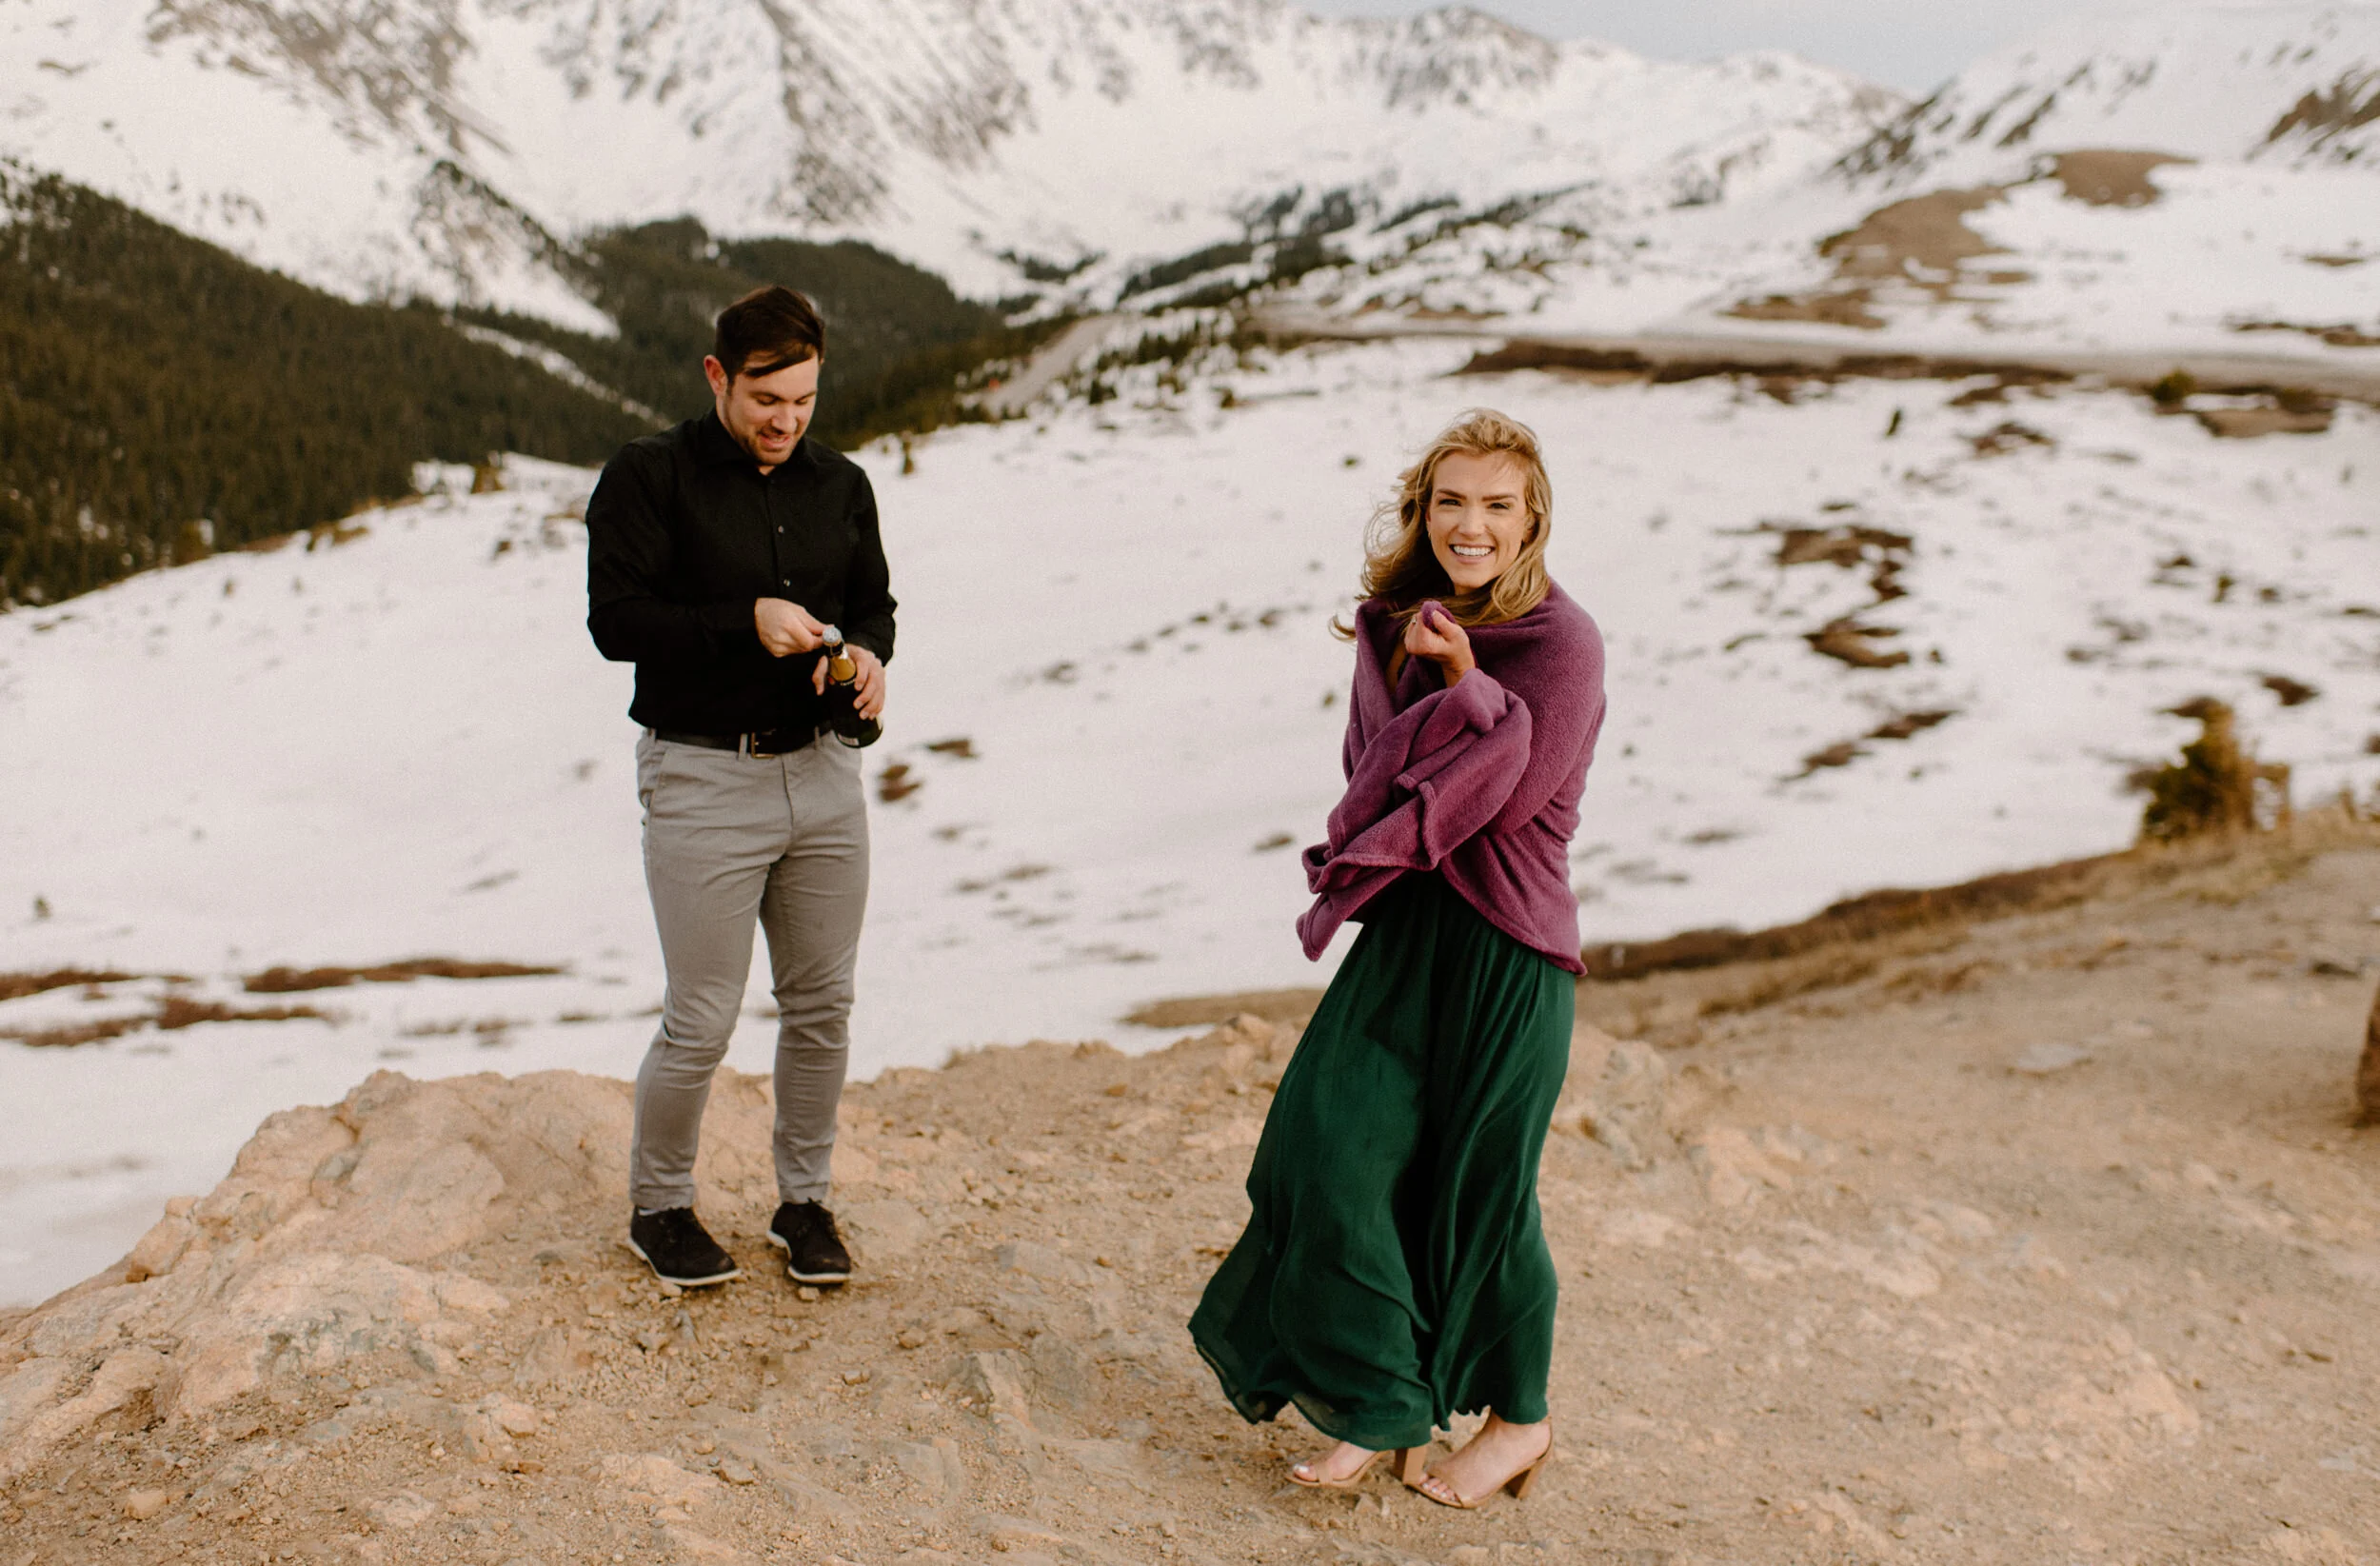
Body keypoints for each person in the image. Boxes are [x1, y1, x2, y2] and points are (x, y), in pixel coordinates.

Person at [1189, 408, 1605, 1509]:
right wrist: (1430, 674)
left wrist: (1469, 684)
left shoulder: (1563, 644)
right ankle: (1383, 1401)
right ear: (1423, 512)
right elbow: (1368, 773)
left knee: (1479, 1192)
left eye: (1496, 506)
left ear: (1532, 521)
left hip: (1510, 951)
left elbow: (1499, 804)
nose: (1470, 526)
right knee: (1323, 1149)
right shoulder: (1390, 622)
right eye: (1450, 502)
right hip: (1411, 936)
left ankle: (1520, 1421)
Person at [585, 285, 894, 1290]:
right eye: (767, 397)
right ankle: (660, 1205)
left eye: (804, 400)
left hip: (823, 770)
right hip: (702, 775)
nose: (785, 420)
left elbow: (872, 607)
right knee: (703, 1016)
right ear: (718, 375)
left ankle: (803, 1202)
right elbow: (616, 622)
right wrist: (741, 618)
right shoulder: (647, 477)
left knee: (822, 1005)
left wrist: (869, 663)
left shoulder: (840, 485)